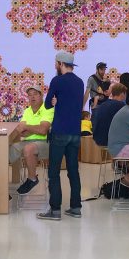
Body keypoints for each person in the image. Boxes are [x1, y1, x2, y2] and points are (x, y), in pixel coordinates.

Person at [38, 51, 84, 221]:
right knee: (73, 171)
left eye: (56, 63)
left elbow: (47, 104)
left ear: (60, 64)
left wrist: (54, 101)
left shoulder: (57, 81)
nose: (55, 65)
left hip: (60, 132)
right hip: (75, 132)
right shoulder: (80, 82)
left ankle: (55, 210)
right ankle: (76, 207)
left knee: (54, 172)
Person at [9, 87, 53, 195]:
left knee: (28, 149)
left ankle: (32, 179)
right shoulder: (27, 111)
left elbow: (43, 130)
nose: (32, 97)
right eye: (30, 94)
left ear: (41, 95)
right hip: (26, 141)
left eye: (35, 94)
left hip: (45, 143)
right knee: (4, 152)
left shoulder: (48, 109)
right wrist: (34, 128)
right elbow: (21, 131)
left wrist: (27, 127)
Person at [91, 83, 128, 148]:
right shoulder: (120, 105)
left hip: (97, 140)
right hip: (109, 141)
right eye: (126, 94)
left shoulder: (103, 105)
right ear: (122, 94)